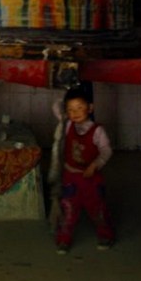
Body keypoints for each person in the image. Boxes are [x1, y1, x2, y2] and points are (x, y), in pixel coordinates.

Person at [50, 82, 115, 254]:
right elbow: (56, 108)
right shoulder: (68, 125)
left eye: (79, 108)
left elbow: (106, 151)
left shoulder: (98, 131)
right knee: (68, 210)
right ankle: (63, 240)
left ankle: (105, 235)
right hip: (70, 177)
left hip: (91, 179)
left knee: (97, 209)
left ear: (90, 108)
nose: (75, 113)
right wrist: (65, 89)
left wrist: (95, 165)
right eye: (70, 109)